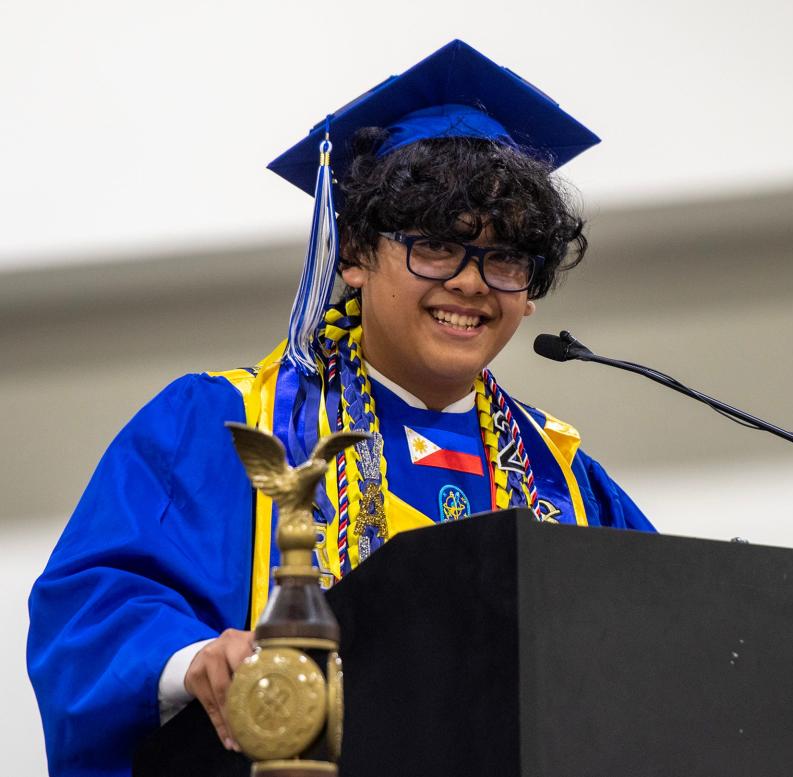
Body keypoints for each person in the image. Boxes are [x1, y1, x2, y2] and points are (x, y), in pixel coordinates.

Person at [27, 40, 654, 777]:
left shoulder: (567, 478)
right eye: (436, 245)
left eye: (507, 257)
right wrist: (198, 659)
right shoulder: (226, 427)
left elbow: (662, 662)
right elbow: (91, 614)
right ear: (353, 251)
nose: (471, 283)